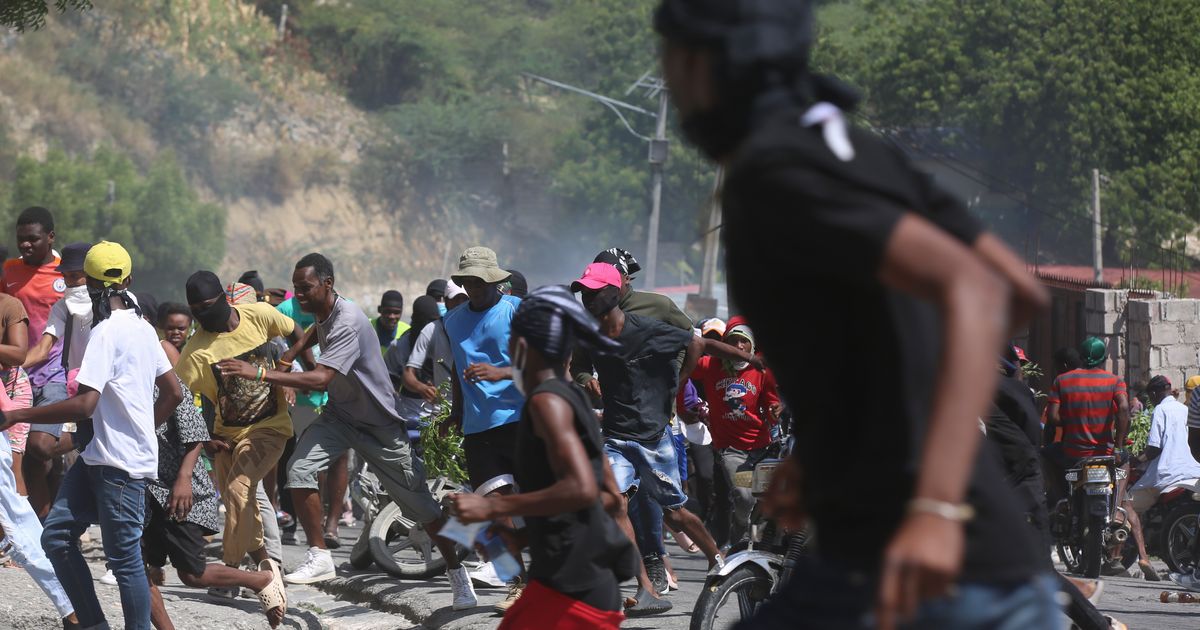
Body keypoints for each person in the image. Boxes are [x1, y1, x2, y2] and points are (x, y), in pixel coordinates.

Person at [655, 2, 1057, 628]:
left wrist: (932, 507)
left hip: (926, 573)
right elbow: (1020, 294)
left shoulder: (775, 168)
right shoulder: (860, 151)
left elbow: (975, 290)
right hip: (937, 561)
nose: (671, 83)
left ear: (704, 62)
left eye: (670, 57)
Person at [220, 253, 478, 610]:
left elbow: (320, 377)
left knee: (421, 508)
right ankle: (319, 554)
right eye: (296, 289)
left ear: (327, 284)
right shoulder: (327, 311)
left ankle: (457, 571)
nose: (300, 296)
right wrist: (293, 349)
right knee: (299, 471)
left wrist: (261, 373)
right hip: (340, 417)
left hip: (380, 427)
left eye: (306, 288)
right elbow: (315, 329)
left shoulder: (349, 319)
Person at [1, 241, 183, 630]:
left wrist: (18, 413)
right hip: (98, 456)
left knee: (125, 560)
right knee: (57, 537)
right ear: (128, 280)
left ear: (92, 285)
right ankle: (93, 624)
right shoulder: (143, 328)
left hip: (118, 465)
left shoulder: (108, 332)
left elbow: (84, 405)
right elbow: (173, 392)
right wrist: (141, 428)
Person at [448, 286, 637, 630]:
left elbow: (582, 489)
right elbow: (608, 499)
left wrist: (493, 508)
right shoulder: (572, 399)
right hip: (573, 583)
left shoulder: (545, 403)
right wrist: (520, 537)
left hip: (571, 589)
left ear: (520, 343)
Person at [572, 262, 759, 609]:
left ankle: (718, 560)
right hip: (615, 436)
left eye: (594, 291)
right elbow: (576, 366)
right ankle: (648, 590)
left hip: (654, 437)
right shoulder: (587, 334)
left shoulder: (645, 328)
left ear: (614, 293)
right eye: (583, 291)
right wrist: (587, 381)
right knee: (613, 502)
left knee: (675, 514)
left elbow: (698, 343)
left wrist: (681, 380)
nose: (587, 297)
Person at [175, 271, 305, 591]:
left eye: (206, 306)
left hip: (269, 428)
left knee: (238, 490)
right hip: (225, 436)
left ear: (222, 298)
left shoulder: (258, 315)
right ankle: (266, 566)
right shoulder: (195, 352)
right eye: (195, 310)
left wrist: (289, 370)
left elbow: (298, 331)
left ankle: (230, 571)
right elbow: (186, 401)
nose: (201, 315)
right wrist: (205, 437)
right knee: (241, 502)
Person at [986, 347, 1124, 630]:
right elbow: (1122, 408)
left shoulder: (1062, 382)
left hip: (1028, 473)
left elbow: (1050, 424)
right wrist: (1119, 445)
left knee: (1033, 565)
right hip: (1102, 452)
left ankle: (1060, 501)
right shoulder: (1114, 380)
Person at [143, 371, 287, 629]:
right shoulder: (120, 383)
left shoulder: (168, 384)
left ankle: (260, 579)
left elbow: (196, 433)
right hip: (143, 489)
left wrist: (184, 479)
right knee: (130, 565)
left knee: (193, 574)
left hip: (177, 492)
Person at [442, 246, 528, 610]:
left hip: (524, 421)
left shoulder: (516, 311)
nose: (474, 288)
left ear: (495, 281)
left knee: (542, 507)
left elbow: (548, 362)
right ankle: (516, 583)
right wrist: (456, 414)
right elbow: (458, 374)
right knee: (491, 513)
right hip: (479, 430)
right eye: (468, 282)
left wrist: (502, 372)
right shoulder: (452, 321)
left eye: (480, 281)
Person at [688, 317, 780, 547]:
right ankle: (739, 537)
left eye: (744, 342)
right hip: (731, 450)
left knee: (763, 502)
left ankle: (755, 543)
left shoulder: (760, 370)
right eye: (733, 342)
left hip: (761, 446)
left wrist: (775, 409)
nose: (739, 347)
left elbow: (771, 401)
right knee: (743, 496)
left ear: (751, 345)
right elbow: (684, 365)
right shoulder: (710, 365)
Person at [4, 207, 69, 520]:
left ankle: (85, 438)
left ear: (50, 237)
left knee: (41, 447)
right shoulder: (9, 271)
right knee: (28, 458)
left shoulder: (65, 274)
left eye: (33, 239)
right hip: (16, 378)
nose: (25, 245)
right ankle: (45, 527)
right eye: (21, 240)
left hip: (54, 373)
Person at [1130, 377, 1200, 586]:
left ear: (1152, 395)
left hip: (1166, 473)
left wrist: (1136, 460)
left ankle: (1143, 557)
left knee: (1127, 505)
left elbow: (1154, 448)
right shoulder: (1183, 408)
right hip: (1192, 469)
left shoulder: (1160, 410)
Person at [385, 296, 451, 426]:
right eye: (423, 322)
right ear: (414, 320)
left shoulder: (445, 340)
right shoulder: (399, 346)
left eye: (432, 322)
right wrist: (420, 388)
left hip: (443, 412)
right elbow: (391, 381)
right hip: (409, 414)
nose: (427, 328)